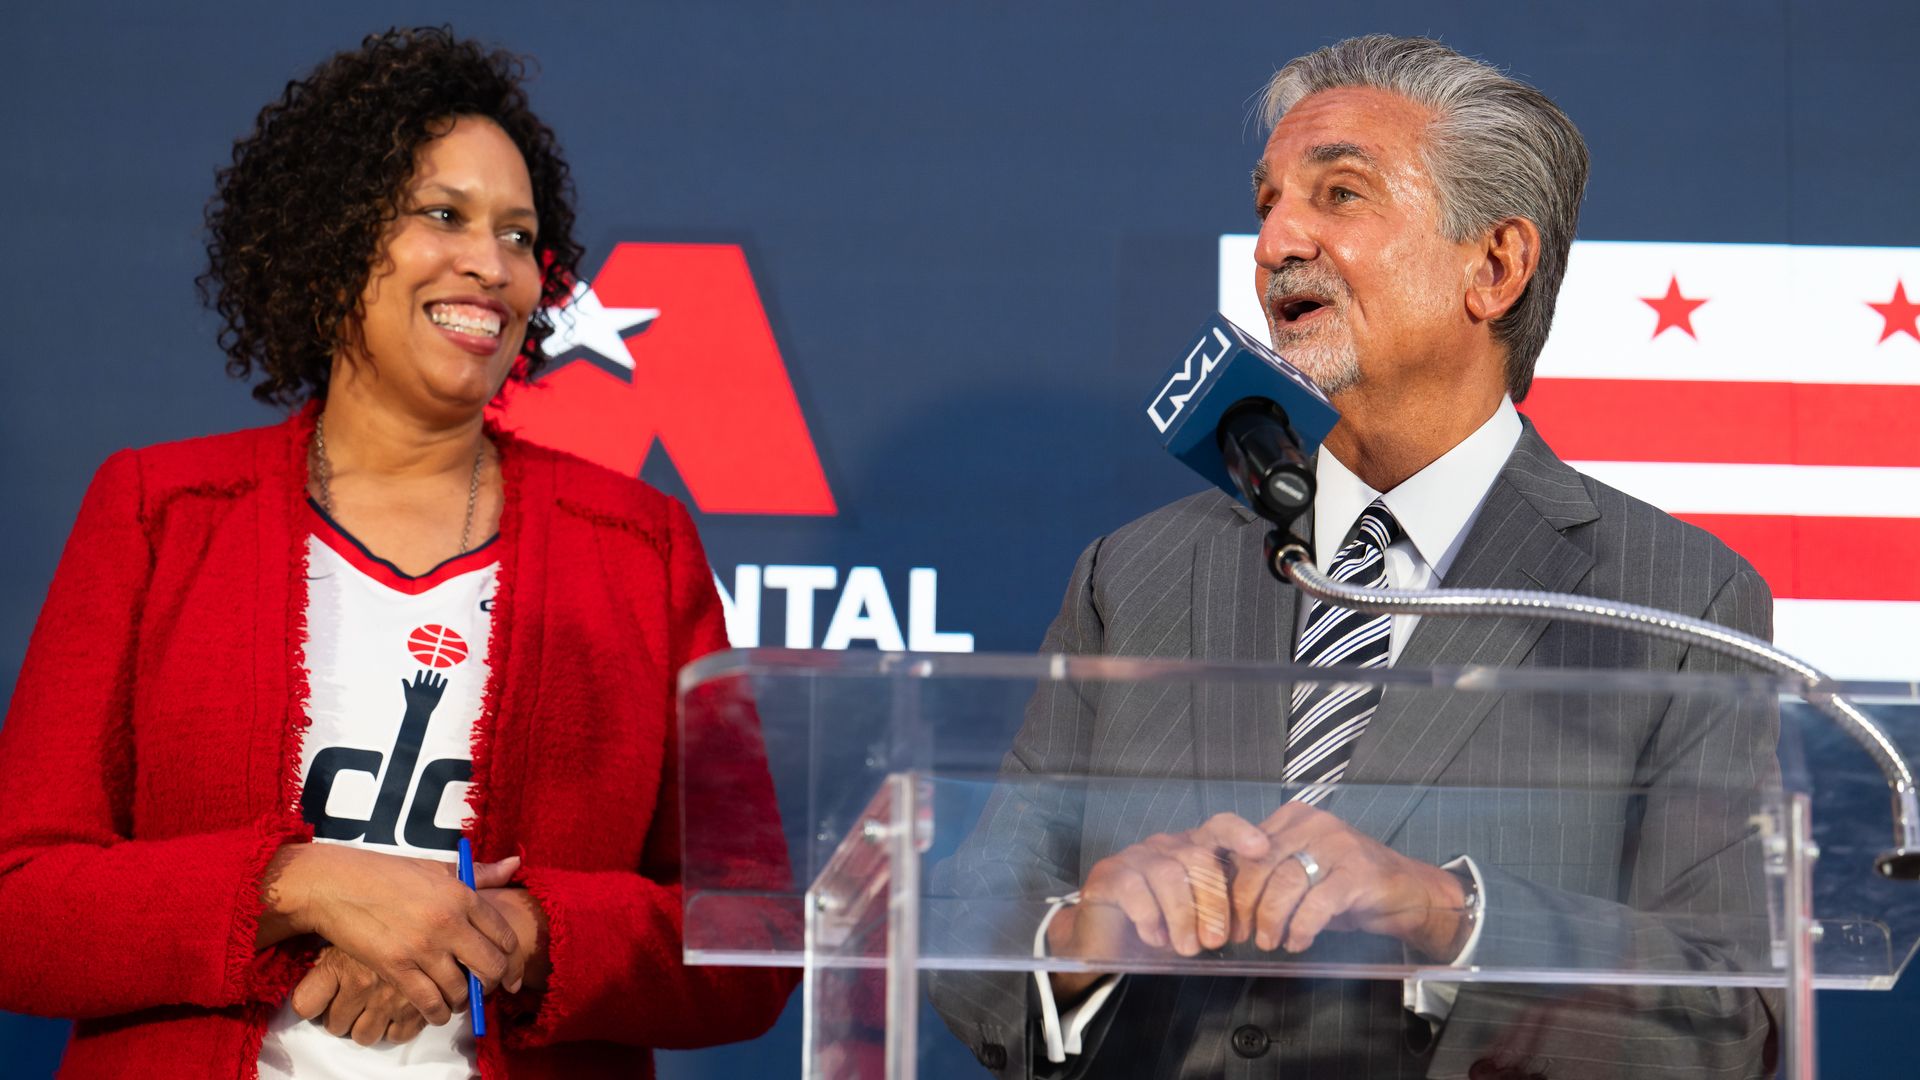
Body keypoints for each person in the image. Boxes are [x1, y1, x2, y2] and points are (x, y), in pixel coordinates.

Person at [931, 35, 1776, 1078]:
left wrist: (1450, 915)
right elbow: (967, 932)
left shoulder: (1676, 602)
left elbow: (1731, 1015)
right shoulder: (1133, 576)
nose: (1277, 238)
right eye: (1268, 202)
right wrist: (1074, 948)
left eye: (1339, 194)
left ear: (1495, 266)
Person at [0, 27, 793, 1079]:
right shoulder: (161, 510)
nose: (491, 265)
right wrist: (302, 888)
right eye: (443, 215)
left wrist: (517, 933)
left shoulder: (639, 547)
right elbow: (20, 907)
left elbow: (753, 938)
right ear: (331, 241)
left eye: (521, 235)